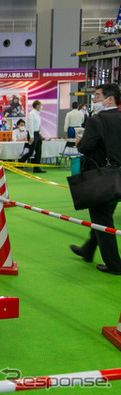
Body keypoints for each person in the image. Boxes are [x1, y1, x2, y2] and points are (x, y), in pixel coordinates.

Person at [69, 83, 121, 275]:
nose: (94, 100)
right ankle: (88, 250)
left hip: (101, 176)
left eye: (97, 96)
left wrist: (79, 143)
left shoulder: (96, 120)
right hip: (117, 175)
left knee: (102, 220)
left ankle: (115, 265)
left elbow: (86, 147)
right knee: (104, 214)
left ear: (110, 99)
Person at [19, 100, 46, 173]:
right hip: (32, 134)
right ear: (36, 106)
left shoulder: (37, 114)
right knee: (31, 152)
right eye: (40, 105)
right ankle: (20, 162)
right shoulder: (32, 114)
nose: (41, 107)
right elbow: (30, 126)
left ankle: (36, 168)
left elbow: (37, 125)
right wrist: (31, 136)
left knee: (38, 151)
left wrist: (40, 133)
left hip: (37, 134)